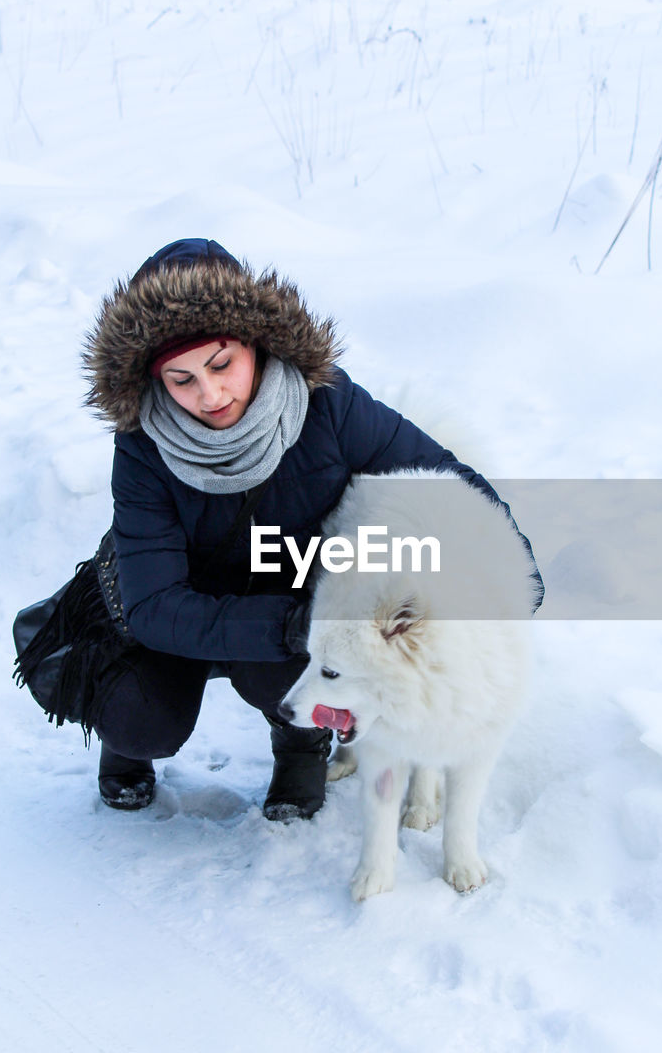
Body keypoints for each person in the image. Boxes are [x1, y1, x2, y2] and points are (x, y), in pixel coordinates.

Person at [82, 238, 543, 816]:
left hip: (280, 584)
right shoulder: (142, 448)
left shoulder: (327, 404)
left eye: (221, 363)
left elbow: (441, 474)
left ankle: (300, 745)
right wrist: (292, 623)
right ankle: (123, 749)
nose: (210, 393)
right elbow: (154, 606)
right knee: (141, 716)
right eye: (182, 379)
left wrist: (509, 559)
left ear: (256, 342)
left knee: (318, 658)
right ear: (155, 384)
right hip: (179, 602)